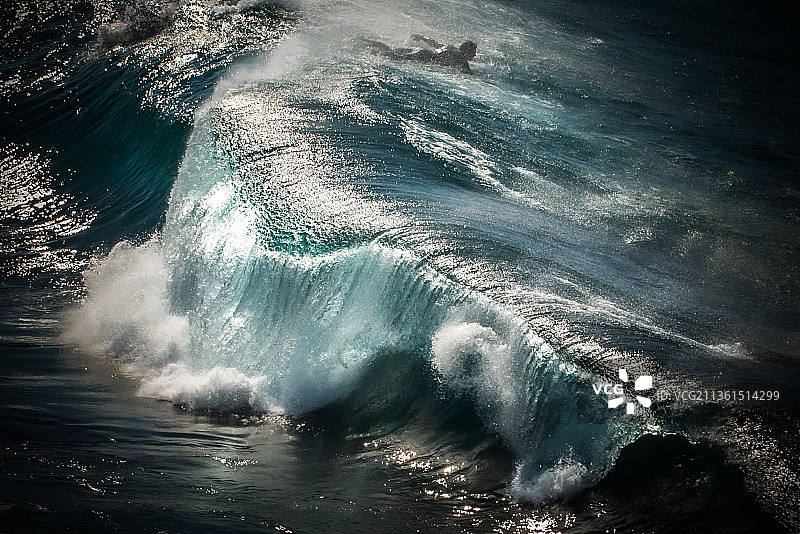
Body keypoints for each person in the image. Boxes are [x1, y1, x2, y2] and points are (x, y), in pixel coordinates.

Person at [364, 34, 477, 74]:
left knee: (394, 52)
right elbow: (469, 73)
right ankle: (377, 51)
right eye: (473, 52)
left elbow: (434, 43)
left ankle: (370, 43)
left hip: (423, 51)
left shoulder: (452, 48)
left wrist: (421, 38)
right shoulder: (461, 58)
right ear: (467, 50)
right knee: (397, 57)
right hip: (426, 57)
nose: (474, 55)